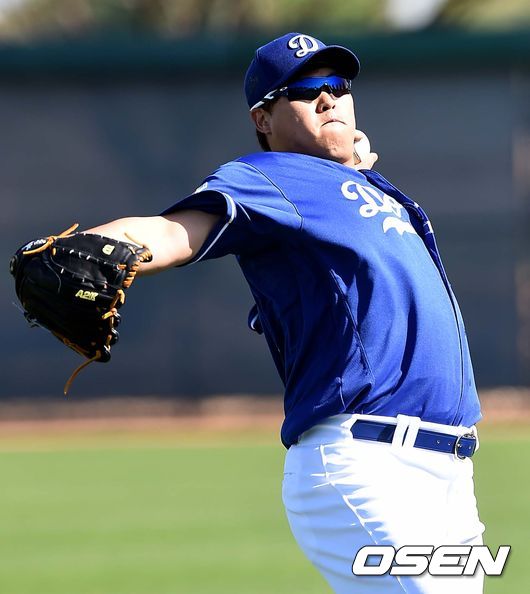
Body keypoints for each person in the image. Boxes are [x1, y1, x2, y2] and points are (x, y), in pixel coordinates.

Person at [85, 32, 485, 594]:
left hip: (450, 474)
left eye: (337, 85)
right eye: (303, 89)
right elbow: (176, 232)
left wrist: (353, 171)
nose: (328, 98)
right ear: (263, 118)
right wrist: (91, 247)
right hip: (367, 460)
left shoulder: (370, 189)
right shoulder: (270, 177)